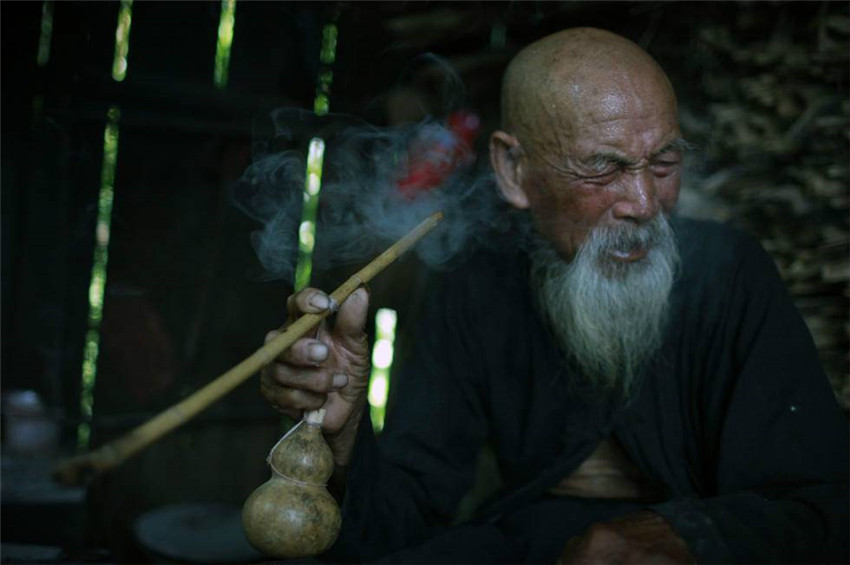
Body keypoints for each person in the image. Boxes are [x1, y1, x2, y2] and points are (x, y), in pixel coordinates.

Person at [260, 28, 849, 563]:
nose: (644, 203)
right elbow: (404, 522)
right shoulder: (477, 283)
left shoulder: (731, 273)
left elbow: (824, 505)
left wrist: (687, 536)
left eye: (664, 161)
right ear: (515, 170)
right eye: (603, 168)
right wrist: (344, 432)